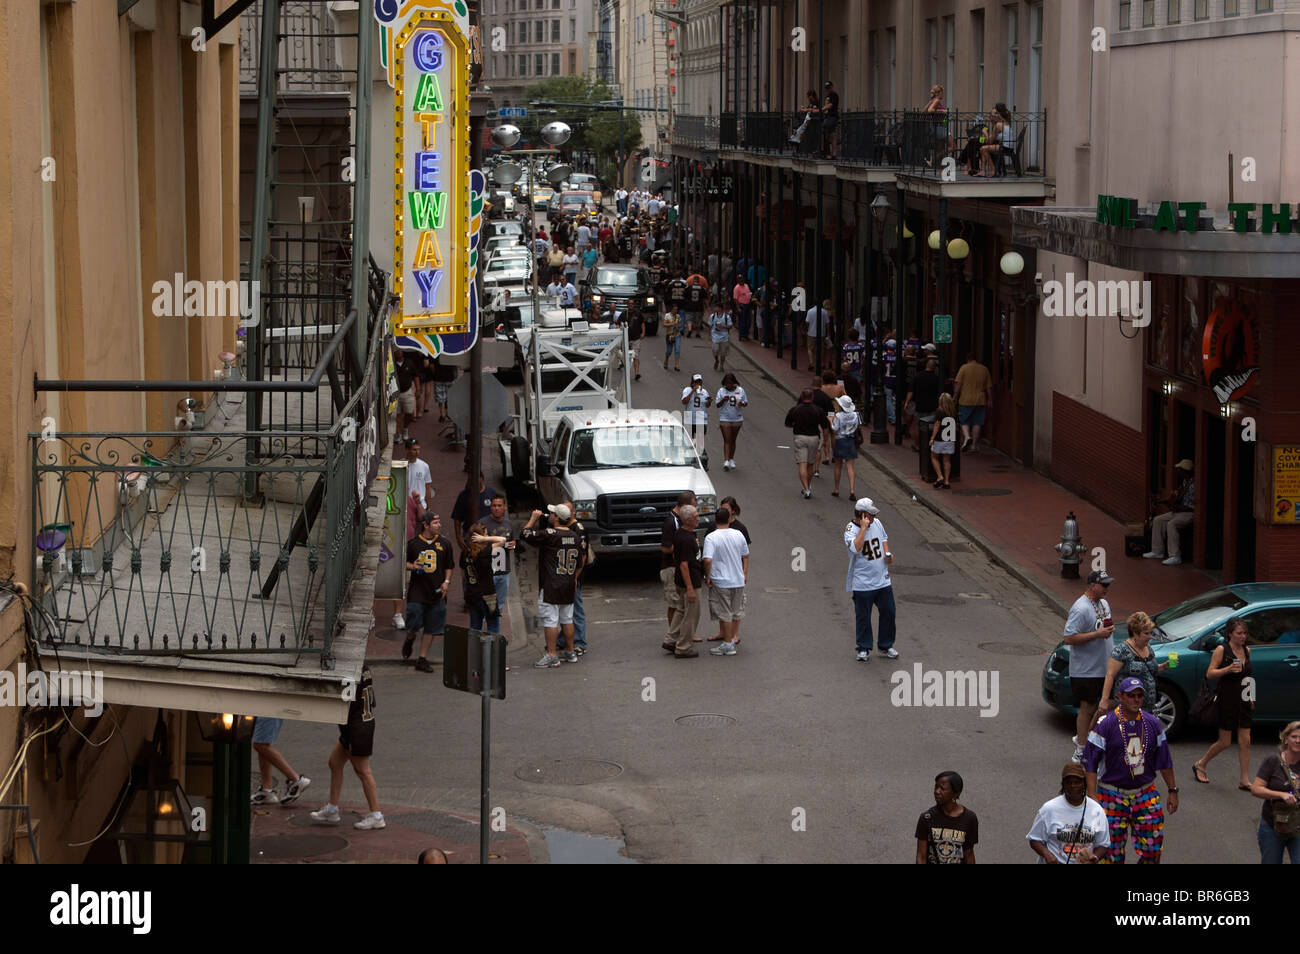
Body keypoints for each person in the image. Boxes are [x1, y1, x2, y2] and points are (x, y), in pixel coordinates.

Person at [1083, 677, 1179, 863]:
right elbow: (1090, 763)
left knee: (1153, 850)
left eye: (1139, 695)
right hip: (1111, 795)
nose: (1136, 699)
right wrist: (1093, 797)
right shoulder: (1106, 724)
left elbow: (1165, 760)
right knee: (1110, 853)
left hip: (1145, 794)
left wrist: (1173, 790)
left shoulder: (1153, 724)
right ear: (1120, 696)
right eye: (1131, 695)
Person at [311, 665, 384, 830]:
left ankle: (376, 815)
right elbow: (371, 700)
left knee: (363, 771)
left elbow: (344, 702)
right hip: (358, 724)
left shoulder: (349, 673)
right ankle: (332, 809)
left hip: (356, 729)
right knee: (335, 763)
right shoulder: (364, 668)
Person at [1192, 616, 1254, 789]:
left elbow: (1249, 676)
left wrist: (1251, 697)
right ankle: (1201, 764)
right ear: (1230, 633)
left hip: (1243, 699)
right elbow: (1210, 673)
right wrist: (1227, 669)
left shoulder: (1247, 651)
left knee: (1246, 741)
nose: (1243, 637)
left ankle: (1244, 779)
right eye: (1239, 633)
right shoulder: (1222, 650)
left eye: (1245, 633)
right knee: (1225, 742)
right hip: (1227, 700)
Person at [522, 504, 585, 668]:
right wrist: (574, 579)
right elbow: (580, 562)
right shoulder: (575, 536)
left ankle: (551, 655)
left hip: (551, 585)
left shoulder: (550, 535)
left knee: (550, 620)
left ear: (557, 517)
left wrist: (533, 519)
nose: (549, 515)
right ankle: (570, 651)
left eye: (552, 513)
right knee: (567, 619)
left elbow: (526, 534)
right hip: (568, 584)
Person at [1065, 570, 1116, 762]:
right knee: (1087, 707)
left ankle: (1084, 737)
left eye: (1108, 585)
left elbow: (1103, 628)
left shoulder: (1103, 604)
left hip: (1104, 666)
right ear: (1092, 585)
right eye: (1104, 585)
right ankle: (1081, 747)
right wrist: (1097, 634)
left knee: (1106, 705)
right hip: (1086, 669)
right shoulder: (1080, 608)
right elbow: (1069, 637)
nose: (1107, 589)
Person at [845, 497, 897, 662]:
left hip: (882, 580)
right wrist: (863, 528)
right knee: (864, 617)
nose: (873, 517)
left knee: (889, 612)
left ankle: (886, 645)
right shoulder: (850, 530)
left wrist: (888, 555)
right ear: (861, 515)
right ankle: (863, 648)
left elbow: (884, 541)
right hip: (862, 583)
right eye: (870, 515)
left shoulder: (878, 523)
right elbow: (856, 548)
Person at [1026, 764, 1110, 864]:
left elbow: (1103, 844)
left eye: (1077, 782)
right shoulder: (1048, 809)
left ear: (1084, 784)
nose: (1073, 786)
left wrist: (1094, 858)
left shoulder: (1097, 810)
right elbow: (1034, 839)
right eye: (1068, 782)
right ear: (1063, 785)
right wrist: (1047, 855)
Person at [1095, 610, 1168, 720]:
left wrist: (1163, 667)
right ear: (1135, 632)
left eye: (1151, 633)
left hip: (1148, 707)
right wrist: (1104, 700)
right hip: (1128, 707)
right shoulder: (1122, 650)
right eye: (1146, 633)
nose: (1150, 637)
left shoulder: (1148, 648)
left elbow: (1152, 671)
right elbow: (1110, 675)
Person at [404, 513, 454, 673]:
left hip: (437, 592)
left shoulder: (445, 543)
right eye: (435, 523)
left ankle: (422, 658)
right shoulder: (413, 544)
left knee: (432, 627)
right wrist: (412, 566)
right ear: (426, 525)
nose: (439, 525)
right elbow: (401, 562)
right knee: (414, 622)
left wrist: (446, 582)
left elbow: (449, 565)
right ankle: (410, 638)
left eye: (439, 522)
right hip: (418, 591)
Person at [1250, 721, 1300, 864]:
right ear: (1286, 739)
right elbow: (1256, 789)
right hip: (1273, 825)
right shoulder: (1273, 761)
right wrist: (1281, 795)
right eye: (1294, 737)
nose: (1298, 740)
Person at [703, 506, 749, 657]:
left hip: (721, 580)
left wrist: (707, 575)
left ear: (715, 520)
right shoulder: (738, 534)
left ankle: (728, 644)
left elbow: (708, 559)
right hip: (738, 580)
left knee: (725, 613)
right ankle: (731, 639)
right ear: (729, 519)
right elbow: (745, 555)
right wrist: (743, 573)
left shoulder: (711, 537)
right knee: (735, 611)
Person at [662, 505, 704, 658]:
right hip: (690, 581)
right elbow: (684, 564)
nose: (698, 519)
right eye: (695, 517)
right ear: (687, 520)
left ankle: (671, 639)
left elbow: (677, 558)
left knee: (680, 611)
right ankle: (683, 646)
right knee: (691, 614)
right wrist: (690, 588)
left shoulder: (681, 534)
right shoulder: (686, 539)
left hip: (680, 581)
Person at [915, 771, 977, 864]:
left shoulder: (969, 818)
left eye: (942, 789)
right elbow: (921, 856)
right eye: (936, 787)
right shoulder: (927, 818)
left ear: (956, 793)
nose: (937, 791)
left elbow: (969, 854)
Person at [660, 491, 696, 647]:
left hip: (678, 567)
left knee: (680, 604)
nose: (696, 506)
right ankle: (673, 636)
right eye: (694, 502)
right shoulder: (671, 522)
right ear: (685, 505)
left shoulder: (680, 520)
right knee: (674, 604)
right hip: (670, 568)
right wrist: (684, 545)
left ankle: (681, 633)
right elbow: (665, 548)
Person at [1144, 459, 1195, 566]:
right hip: (1178, 511)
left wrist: (1175, 507)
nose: (1178, 472)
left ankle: (1175, 556)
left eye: (1179, 470)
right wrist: (1164, 501)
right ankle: (1157, 551)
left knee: (1172, 524)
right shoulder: (1185, 482)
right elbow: (1177, 497)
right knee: (1158, 520)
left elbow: (1190, 507)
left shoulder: (1194, 485)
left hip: (1189, 513)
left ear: (1184, 471)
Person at [250, 719, 311, 806]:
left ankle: (295, 779)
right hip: (265, 707)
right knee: (262, 743)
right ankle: (267, 789)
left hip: (268, 708)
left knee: (260, 745)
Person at [482, 493, 517, 640]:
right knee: (486, 606)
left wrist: (512, 545)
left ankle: (493, 636)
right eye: (494, 505)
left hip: (504, 571)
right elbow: (478, 546)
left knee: (499, 606)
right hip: (488, 572)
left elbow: (513, 541)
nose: (496, 508)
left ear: (504, 507)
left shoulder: (509, 524)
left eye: (499, 505)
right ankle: (488, 634)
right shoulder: (482, 524)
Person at [461, 523, 505, 635]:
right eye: (485, 534)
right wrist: (485, 539)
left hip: (472, 595)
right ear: (479, 536)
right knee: (492, 627)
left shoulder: (465, 552)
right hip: (487, 596)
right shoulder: (485, 551)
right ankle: (490, 652)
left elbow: (463, 574)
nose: (487, 535)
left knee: (475, 628)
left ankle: (474, 652)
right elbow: (502, 540)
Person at [785, 388, 830, 498]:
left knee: (802, 464)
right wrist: (825, 440)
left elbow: (788, 424)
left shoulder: (795, 410)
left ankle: (806, 489)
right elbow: (825, 427)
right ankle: (808, 486)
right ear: (812, 397)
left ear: (802, 397)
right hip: (814, 438)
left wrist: (795, 425)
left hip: (800, 437)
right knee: (810, 464)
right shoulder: (818, 410)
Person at [953, 353, 993, 451]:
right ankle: (974, 445)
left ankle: (967, 436)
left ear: (968, 359)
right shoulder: (984, 369)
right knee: (977, 423)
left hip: (966, 399)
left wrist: (955, 396)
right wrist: (990, 399)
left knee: (964, 421)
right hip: (980, 400)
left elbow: (958, 384)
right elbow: (988, 387)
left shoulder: (964, 368)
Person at [451, 475, 501, 551]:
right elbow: (457, 518)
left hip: (488, 535)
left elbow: (499, 513)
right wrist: (459, 537)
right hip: (470, 536)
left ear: (482, 478)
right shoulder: (464, 495)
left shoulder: (491, 493)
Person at [908, 357, 941, 454]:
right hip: (933, 406)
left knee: (918, 426)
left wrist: (907, 402)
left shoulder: (918, 376)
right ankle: (930, 444)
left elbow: (911, 391)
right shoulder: (937, 378)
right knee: (933, 427)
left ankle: (918, 445)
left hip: (920, 406)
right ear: (934, 368)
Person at [829, 395, 861, 499]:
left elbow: (835, 429)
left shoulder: (838, 415)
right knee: (850, 467)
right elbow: (858, 426)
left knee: (838, 465)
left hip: (840, 440)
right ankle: (852, 490)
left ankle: (837, 489)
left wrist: (830, 421)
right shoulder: (856, 415)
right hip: (851, 441)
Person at [715, 373, 748, 471]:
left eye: (730, 383)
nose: (728, 385)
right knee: (727, 439)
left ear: (734, 382)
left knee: (733, 440)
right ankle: (726, 461)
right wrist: (723, 400)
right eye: (726, 383)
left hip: (737, 418)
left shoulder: (740, 390)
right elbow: (717, 405)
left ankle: (731, 459)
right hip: (725, 418)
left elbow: (745, 403)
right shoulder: (721, 391)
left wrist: (742, 403)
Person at [976, 103, 1014, 177]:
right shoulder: (1005, 122)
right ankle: (983, 171)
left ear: (998, 114)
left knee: (983, 149)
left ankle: (993, 169)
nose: (992, 116)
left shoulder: (998, 125)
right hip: (1008, 146)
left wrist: (985, 133)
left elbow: (989, 142)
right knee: (983, 148)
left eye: (994, 114)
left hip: (1005, 147)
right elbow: (993, 138)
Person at [928, 393, 957, 489]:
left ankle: (940, 476)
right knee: (947, 460)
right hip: (950, 439)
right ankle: (947, 481)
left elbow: (937, 425)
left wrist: (932, 438)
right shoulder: (953, 411)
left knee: (934, 457)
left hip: (940, 439)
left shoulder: (939, 412)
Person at [681, 373, 712, 454]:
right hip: (689, 419)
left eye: (699, 381)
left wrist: (709, 401)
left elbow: (707, 406)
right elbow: (684, 402)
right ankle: (688, 457)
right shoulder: (687, 390)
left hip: (701, 419)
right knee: (688, 442)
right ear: (692, 382)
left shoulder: (705, 392)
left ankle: (699, 458)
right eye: (696, 381)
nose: (698, 383)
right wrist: (693, 391)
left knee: (699, 442)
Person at [392, 346, 417, 442]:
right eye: (396, 350)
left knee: (409, 414)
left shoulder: (409, 362)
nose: (398, 352)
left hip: (407, 391)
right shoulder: (392, 363)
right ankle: (398, 435)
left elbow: (415, 376)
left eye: (400, 350)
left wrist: (418, 389)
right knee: (398, 416)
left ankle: (405, 429)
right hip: (395, 393)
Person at [805, 299, 832, 372]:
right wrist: (828, 333)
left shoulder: (810, 311)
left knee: (810, 348)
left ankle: (811, 363)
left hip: (811, 333)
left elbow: (807, 322)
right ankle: (823, 363)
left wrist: (808, 329)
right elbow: (827, 324)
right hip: (822, 333)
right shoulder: (824, 312)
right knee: (822, 349)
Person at [708, 299, 733, 372]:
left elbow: (730, 326)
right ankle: (716, 360)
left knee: (723, 353)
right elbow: (710, 325)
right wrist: (709, 335)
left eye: (716, 307)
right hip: (715, 336)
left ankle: (722, 365)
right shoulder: (712, 316)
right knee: (715, 350)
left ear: (720, 308)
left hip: (724, 337)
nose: (714, 309)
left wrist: (723, 326)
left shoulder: (726, 317)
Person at [820, 81, 840, 159]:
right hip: (828, 116)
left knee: (831, 134)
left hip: (832, 116)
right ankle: (827, 151)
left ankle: (832, 153)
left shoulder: (834, 95)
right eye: (826, 88)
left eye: (829, 88)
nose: (828, 89)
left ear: (832, 87)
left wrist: (822, 109)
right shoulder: (828, 96)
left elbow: (830, 105)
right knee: (828, 133)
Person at [662, 304, 682, 371]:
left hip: (677, 335)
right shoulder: (667, 315)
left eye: (677, 309)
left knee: (677, 350)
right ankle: (666, 360)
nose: (676, 311)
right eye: (674, 309)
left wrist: (678, 325)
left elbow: (680, 324)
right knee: (669, 351)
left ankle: (676, 365)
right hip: (669, 335)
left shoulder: (678, 316)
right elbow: (664, 324)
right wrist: (672, 324)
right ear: (671, 309)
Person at [732, 276, 753, 340]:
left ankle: (746, 335)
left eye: (742, 279)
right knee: (742, 321)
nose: (741, 280)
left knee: (748, 321)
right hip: (742, 305)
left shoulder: (746, 285)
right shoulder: (737, 288)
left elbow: (749, 294)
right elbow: (735, 299)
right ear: (738, 280)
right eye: (740, 279)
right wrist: (738, 308)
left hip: (747, 305)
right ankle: (741, 336)